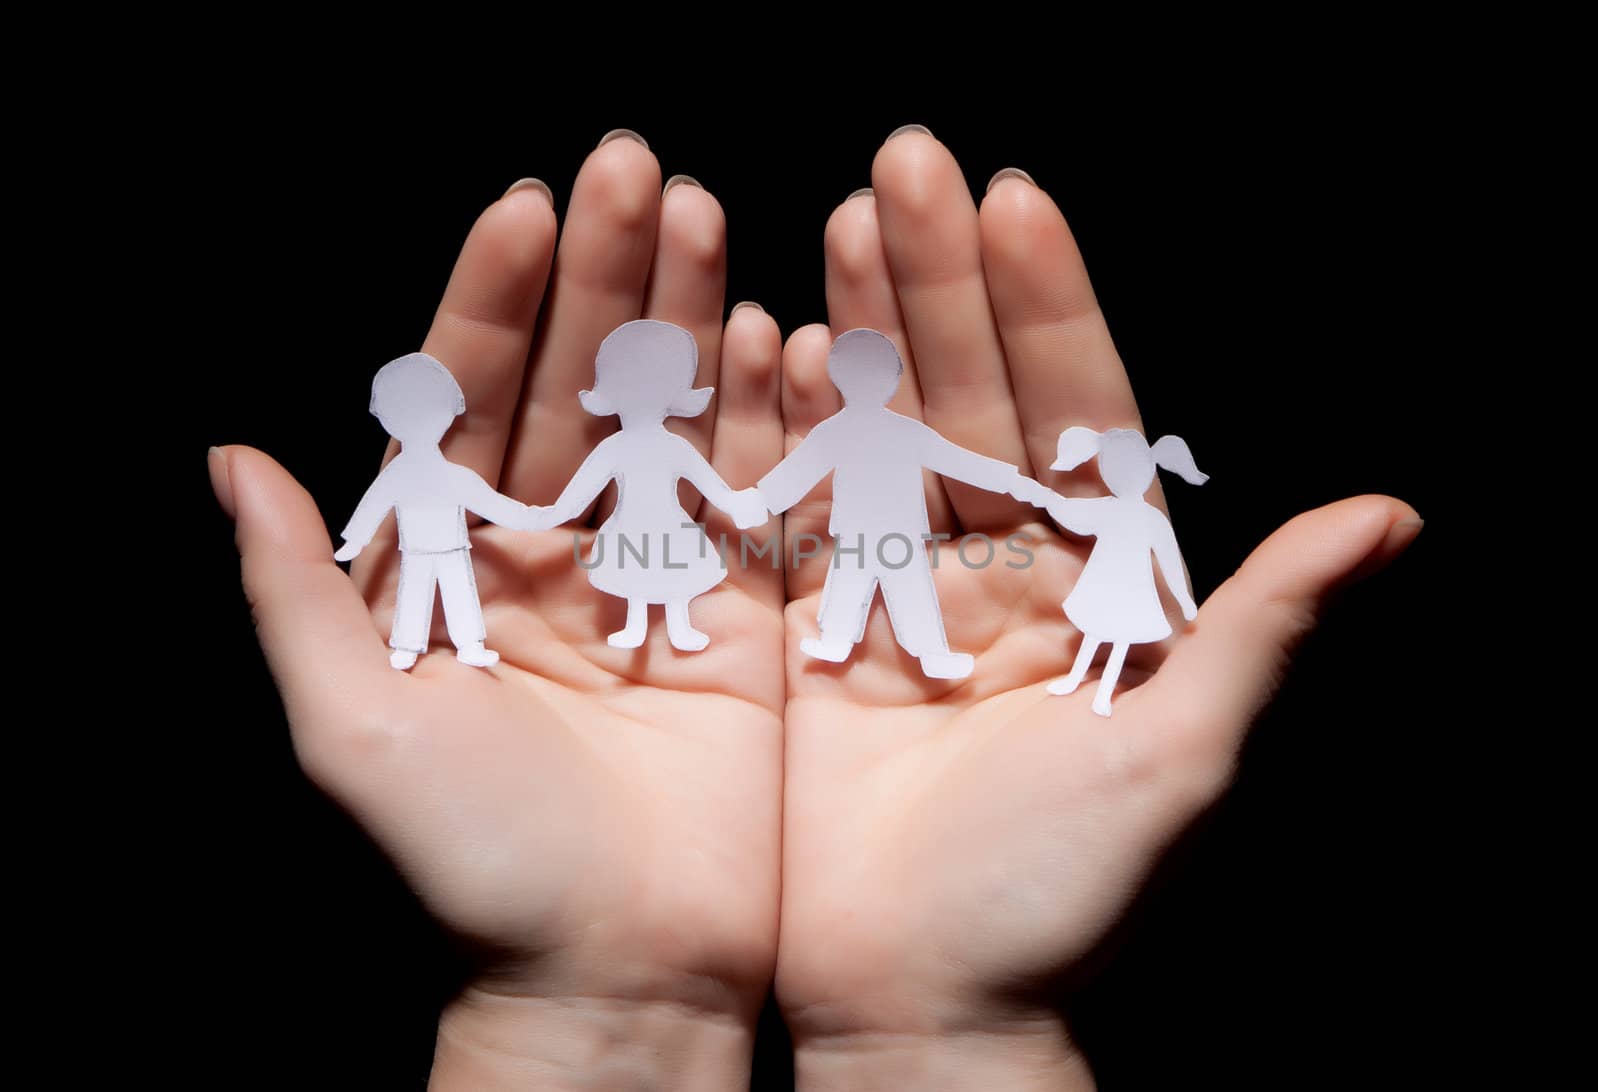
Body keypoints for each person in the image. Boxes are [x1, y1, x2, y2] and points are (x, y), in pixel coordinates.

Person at [207, 126, 1420, 1088]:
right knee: (778, 602)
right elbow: (744, 482)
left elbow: (776, 485)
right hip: (779, 543)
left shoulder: (860, 433)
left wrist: (937, 1037)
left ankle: (785, 629)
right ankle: (751, 628)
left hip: (878, 546)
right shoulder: (830, 435)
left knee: (886, 606)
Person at [758, 328, 1042, 679]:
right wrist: (761, 500)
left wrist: (1010, 481)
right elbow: (800, 470)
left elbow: (956, 460)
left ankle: (931, 654)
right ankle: (836, 640)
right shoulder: (838, 431)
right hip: (859, 530)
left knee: (910, 590)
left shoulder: (905, 432)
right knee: (851, 583)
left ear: (893, 379)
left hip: (898, 531)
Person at [531, 319, 767, 650]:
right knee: (639, 574)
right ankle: (636, 624)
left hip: (664, 526)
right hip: (633, 526)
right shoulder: (617, 448)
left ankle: (679, 626)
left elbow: (713, 488)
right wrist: (552, 513)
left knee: (670, 573)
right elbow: (578, 495)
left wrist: (738, 502)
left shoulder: (670, 447)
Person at [333, 351, 532, 670]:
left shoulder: (452, 474)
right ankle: (407, 646)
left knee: (459, 594)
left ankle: (469, 645)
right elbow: (374, 502)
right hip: (416, 548)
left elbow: (488, 501)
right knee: (414, 593)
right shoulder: (400, 473)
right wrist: (356, 540)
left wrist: (528, 517)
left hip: (452, 546)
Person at [1036, 426, 1208, 715]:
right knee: (1093, 630)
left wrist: (1184, 600)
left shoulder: (1153, 520)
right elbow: (1074, 515)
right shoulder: (1107, 509)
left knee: (1120, 640)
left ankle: (1104, 694)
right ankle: (1074, 678)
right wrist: (1049, 500)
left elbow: (1170, 561)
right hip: (1103, 582)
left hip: (1134, 589)